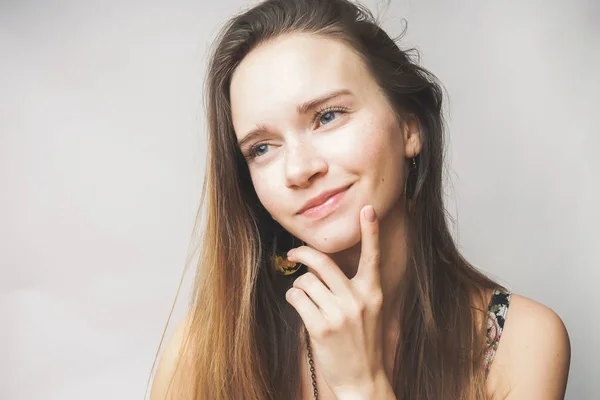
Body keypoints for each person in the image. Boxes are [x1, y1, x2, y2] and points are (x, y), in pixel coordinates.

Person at [149, 0, 571, 398]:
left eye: (327, 116)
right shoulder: (204, 350)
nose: (299, 169)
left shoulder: (517, 341)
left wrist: (362, 385)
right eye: (262, 148)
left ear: (409, 127)